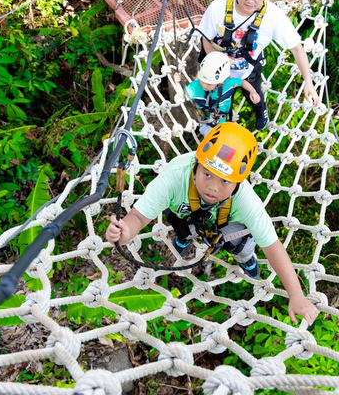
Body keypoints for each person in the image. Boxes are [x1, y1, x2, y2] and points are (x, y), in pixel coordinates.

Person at [105, 122, 320, 325]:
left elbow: (272, 246)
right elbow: (139, 217)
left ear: (238, 181)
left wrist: (296, 294)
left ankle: (245, 259)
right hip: (188, 212)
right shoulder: (174, 177)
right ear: (196, 165)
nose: (213, 188)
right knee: (177, 218)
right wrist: (125, 231)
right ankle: (184, 237)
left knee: (240, 243)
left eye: (225, 181)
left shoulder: (246, 201)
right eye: (206, 174)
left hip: (226, 222)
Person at [198, 0, 320, 131]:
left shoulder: (273, 16)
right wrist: (218, 72)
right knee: (221, 107)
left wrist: (308, 80)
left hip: (248, 68)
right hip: (219, 71)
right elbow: (206, 40)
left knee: (254, 97)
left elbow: (296, 48)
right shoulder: (218, 8)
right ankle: (221, 127)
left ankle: (261, 111)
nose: (251, 1)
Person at [173, 51, 260, 137]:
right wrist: (177, 83)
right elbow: (182, 95)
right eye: (202, 81)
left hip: (225, 122)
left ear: (220, 82)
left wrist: (253, 91)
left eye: (209, 84)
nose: (204, 85)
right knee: (215, 140)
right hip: (207, 125)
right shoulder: (196, 87)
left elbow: (242, 82)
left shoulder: (228, 83)